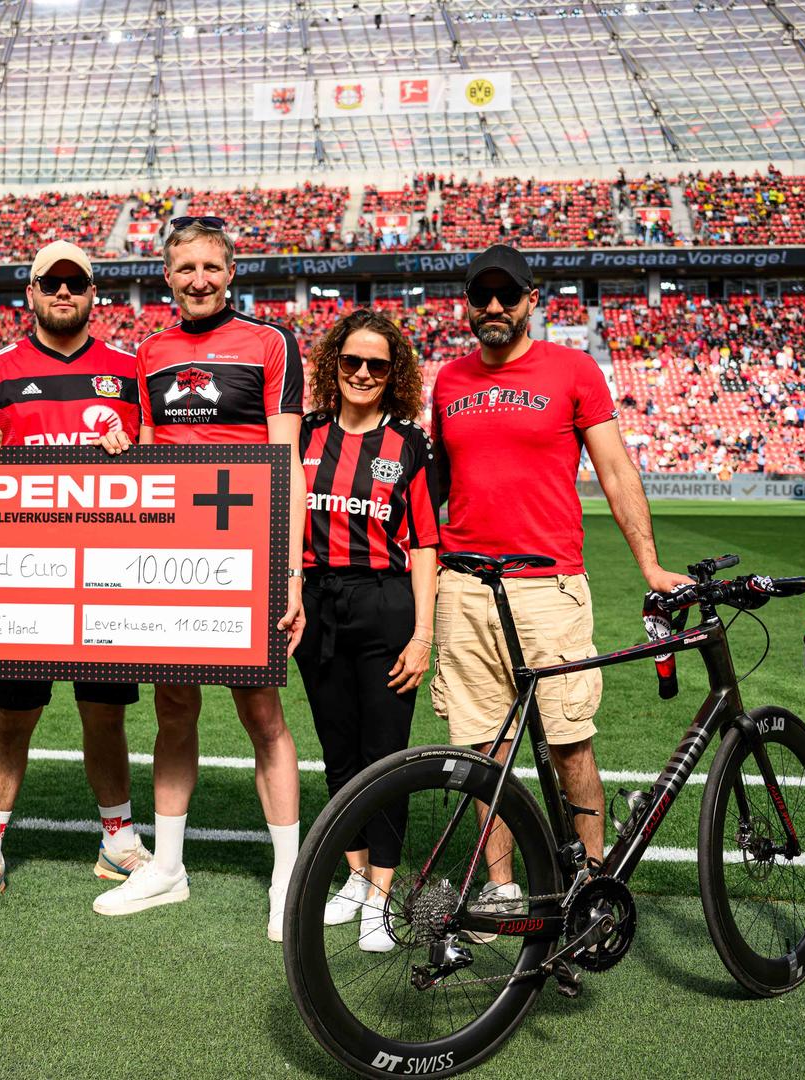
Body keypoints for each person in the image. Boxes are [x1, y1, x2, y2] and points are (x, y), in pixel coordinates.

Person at [426, 244, 691, 936]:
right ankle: (505, 888)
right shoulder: (448, 381)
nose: (492, 309)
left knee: (569, 742)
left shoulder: (572, 370)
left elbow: (615, 469)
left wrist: (651, 565)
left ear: (532, 299)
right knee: (480, 751)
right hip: (465, 589)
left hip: (546, 589)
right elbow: (436, 491)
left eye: (505, 296)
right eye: (480, 297)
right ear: (467, 304)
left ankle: (591, 885)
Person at [92, 215, 307, 942]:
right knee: (173, 710)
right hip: (172, 559)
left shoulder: (272, 343)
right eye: (185, 269)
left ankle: (288, 876)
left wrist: (288, 577)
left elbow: (288, 467)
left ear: (231, 271)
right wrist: (125, 447)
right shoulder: (149, 354)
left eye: (211, 267)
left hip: (247, 556)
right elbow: (151, 455)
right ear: (168, 275)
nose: (199, 280)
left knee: (263, 717)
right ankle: (169, 867)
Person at [0, 241, 153, 916]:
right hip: (26, 583)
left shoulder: (130, 373)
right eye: (51, 282)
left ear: (96, 293)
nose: (64, 293)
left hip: (107, 578)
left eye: (77, 282)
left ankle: (118, 839)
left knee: (105, 716)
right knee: (14, 718)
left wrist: (137, 451)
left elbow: (162, 469)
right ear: (29, 292)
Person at [294, 310, 439, 954]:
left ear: (393, 374)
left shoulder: (408, 445)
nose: (361, 373)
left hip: (384, 603)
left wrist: (422, 636)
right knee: (338, 751)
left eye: (376, 365)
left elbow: (428, 546)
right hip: (318, 603)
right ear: (333, 365)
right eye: (351, 361)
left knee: (385, 755)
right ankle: (353, 877)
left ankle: (382, 896)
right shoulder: (304, 436)